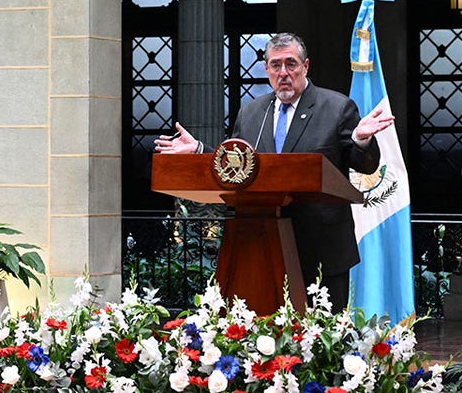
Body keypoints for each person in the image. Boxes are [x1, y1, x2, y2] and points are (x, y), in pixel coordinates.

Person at [154, 32, 393, 307]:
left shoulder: (336, 108)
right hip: (260, 247)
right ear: (266, 69)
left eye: (291, 64)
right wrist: (200, 151)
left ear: (305, 67)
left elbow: (364, 165)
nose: (283, 73)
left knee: (321, 341)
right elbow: (241, 167)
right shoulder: (252, 112)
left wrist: (361, 140)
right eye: (275, 65)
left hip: (321, 249)